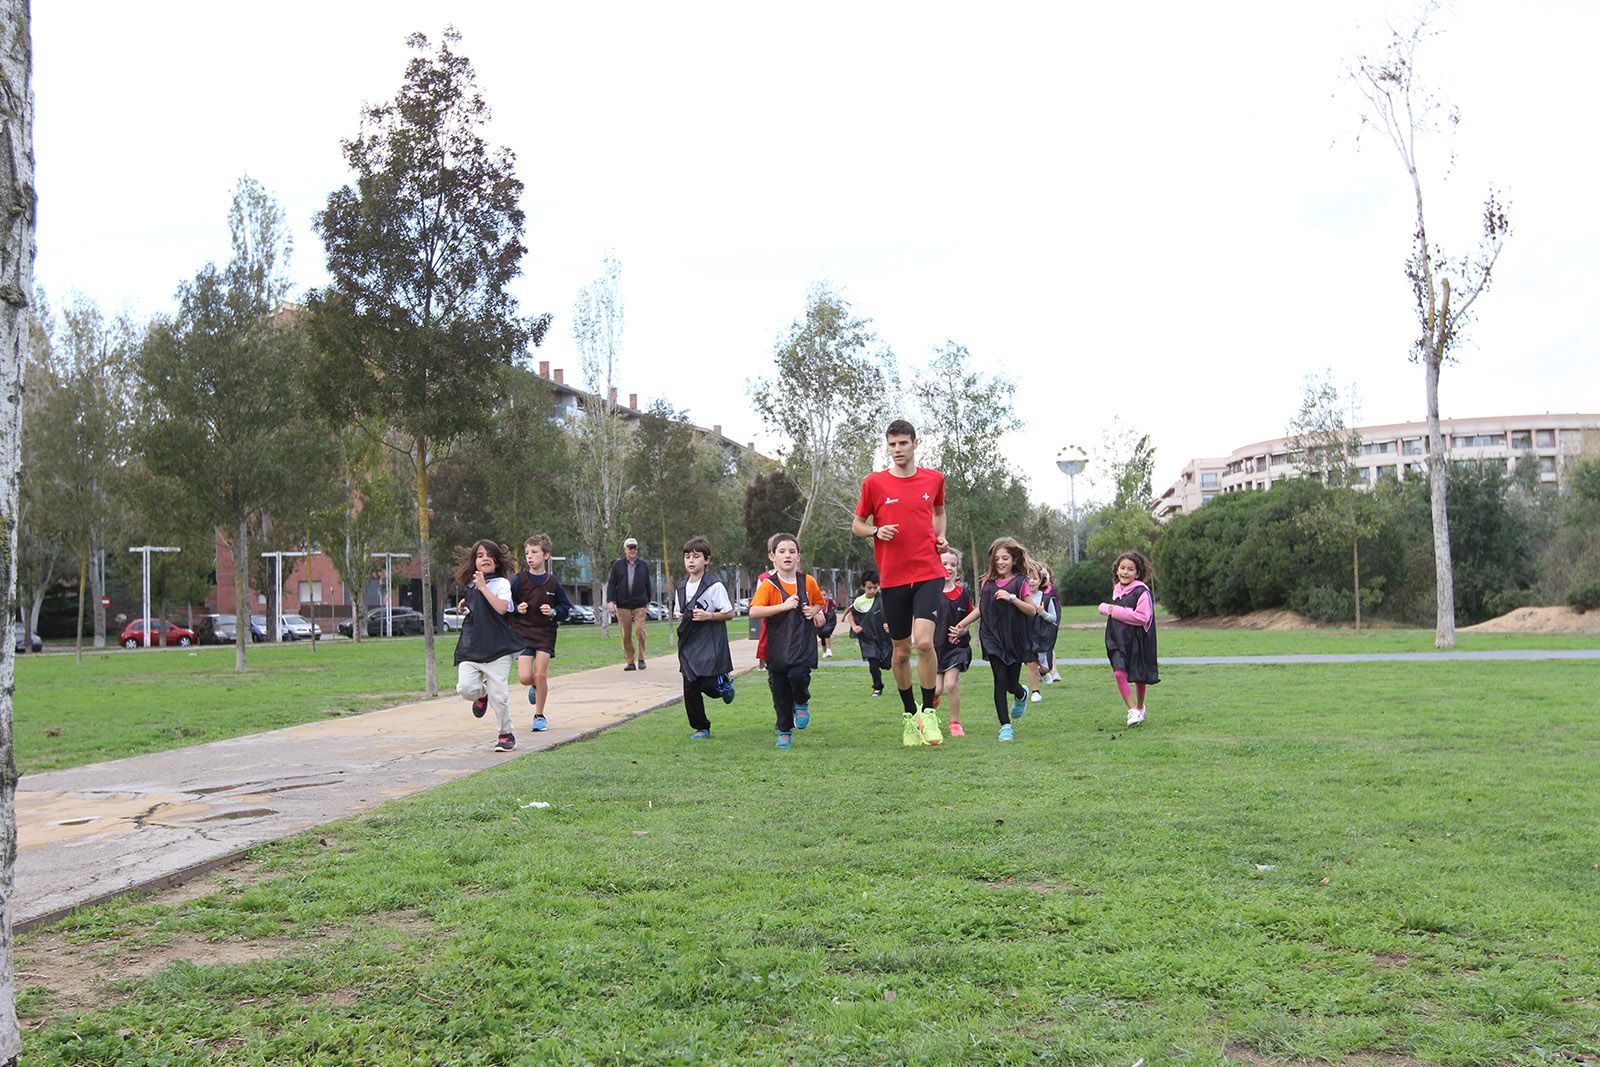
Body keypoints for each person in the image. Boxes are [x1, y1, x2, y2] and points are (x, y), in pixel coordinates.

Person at [851, 419, 947, 747]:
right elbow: (857, 525)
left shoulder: (934, 479)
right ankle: (910, 715)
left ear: (915, 444)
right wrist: (877, 531)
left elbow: (938, 512)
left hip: (929, 573)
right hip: (892, 579)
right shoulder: (874, 484)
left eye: (903, 443)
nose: (897, 450)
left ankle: (930, 714)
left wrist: (941, 536)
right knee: (901, 652)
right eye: (892, 445)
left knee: (924, 643)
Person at [953, 537, 1042, 742]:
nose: (1001, 562)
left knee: (1011, 684)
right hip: (992, 637)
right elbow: (980, 609)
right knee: (1000, 681)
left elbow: (1031, 610)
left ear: (1014, 559)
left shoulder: (1020, 582)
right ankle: (1005, 726)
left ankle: (1021, 694)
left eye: (1005, 558)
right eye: (997, 558)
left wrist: (1012, 598)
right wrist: (962, 625)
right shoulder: (987, 582)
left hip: (1015, 638)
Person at [748, 532, 827, 749]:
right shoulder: (768, 585)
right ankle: (784, 731)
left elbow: (820, 603)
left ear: (799, 556)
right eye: (782, 551)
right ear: (772, 556)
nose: (787, 555)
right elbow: (754, 611)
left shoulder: (807, 581)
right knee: (780, 690)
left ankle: (802, 702)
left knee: (799, 674)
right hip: (777, 646)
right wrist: (783, 606)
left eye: (792, 551)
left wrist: (814, 610)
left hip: (802, 643)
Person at [452, 540, 525, 753]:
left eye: (488, 555)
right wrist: (466, 603)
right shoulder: (472, 585)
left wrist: (483, 588)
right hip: (472, 646)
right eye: (479, 555)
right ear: (474, 561)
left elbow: (501, 608)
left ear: (495, 561)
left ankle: (505, 734)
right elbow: (478, 607)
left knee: (499, 696)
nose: (484, 558)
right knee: (466, 688)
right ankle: (482, 693)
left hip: (497, 648)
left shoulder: (502, 584)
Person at [673, 535, 736, 739]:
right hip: (689, 644)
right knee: (690, 686)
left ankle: (724, 685)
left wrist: (709, 616)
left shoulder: (714, 585)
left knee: (709, 686)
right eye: (687, 557)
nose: (691, 561)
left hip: (710, 643)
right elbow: (679, 613)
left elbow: (729, 613)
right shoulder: (681, 587)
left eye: (696, 556)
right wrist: (682, 616)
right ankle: (701, 727)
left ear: (706, 560)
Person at [509, 533, 573, 733]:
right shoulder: (519, 580)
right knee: (525, 677)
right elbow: (507, 603)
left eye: (534, 552)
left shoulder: (553, 583)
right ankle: (535, 686)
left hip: (546, 633)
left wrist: (554, 612)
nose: (530, 556)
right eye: (527, 552)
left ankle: (539, 716)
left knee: (540, 674)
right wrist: (517, 608)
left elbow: (565, 608)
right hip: (523, 634)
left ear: (546, 556)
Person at [1098, 550, 1159, 727]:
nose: (1125, 572)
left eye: (1130, 569)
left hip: (1137, 641)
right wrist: (1106, 608)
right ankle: (1132, 709)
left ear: (1137, 573)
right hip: (1117, 640)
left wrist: (1112, 610)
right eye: (1122, 568)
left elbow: (1142, 617)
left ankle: (1140, 707)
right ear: (1117, 570)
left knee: (1139, 676)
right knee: (1119, 672)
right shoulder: (1117, 589)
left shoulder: (1142, 592)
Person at [935, 547, 974, 738]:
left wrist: (962, 629)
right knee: (936, 689)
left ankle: (955, 723)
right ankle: (929, 710)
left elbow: (970, 617)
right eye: (944, 563)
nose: (948, 567)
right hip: (935, 648)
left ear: (957, 569)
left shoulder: (963, 593)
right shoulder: (929, 593)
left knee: (950, 685)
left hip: (957, 649)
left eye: (953, 564)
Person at [606, 536, 653, 671]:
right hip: (623, 604)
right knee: (626, 634)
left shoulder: (643, 565)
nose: (632, 550)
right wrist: (610, 601)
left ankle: (642, 658)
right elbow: (611, 584)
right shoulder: (618, 566)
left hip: (640, 604)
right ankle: (630, 661)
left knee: (639, 630)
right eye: (630, 548)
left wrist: (648, 601)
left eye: (634, 548)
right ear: (625, 550)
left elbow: (647, 585)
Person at [844, 571, 891, 697]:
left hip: (884, 637)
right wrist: (854, 626)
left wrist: (889, 624)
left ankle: (884, 663)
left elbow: (892, 613)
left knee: (887, 664)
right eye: (869, 588)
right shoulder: (859, 602)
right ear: (863, 587)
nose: (872, 591)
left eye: (875, 587)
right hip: (868, 639)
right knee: (873, 664)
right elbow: (850, 613)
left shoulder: (883, 598)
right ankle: (877, 687)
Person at [1026, 563, 1060, 702]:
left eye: (1034, 578)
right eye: (1028, 578)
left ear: (1040, 581)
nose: (1031, 581)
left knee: (1046, 667)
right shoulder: (1021, 598)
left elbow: (1053, 618)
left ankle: (1044, 672)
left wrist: (1042, 613)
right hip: (1027, 635)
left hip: (1043, 637)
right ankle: (1035, 692)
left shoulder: (1046, 599)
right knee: (1031, 663)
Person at [817, 590, 839, 659]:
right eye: (821, 595)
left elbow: (834, 607)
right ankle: (825, 652)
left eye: (825, 595)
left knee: (826, 631)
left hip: (830, 620)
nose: (823, 597)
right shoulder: (817, 602)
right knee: (821, 635)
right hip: (821, 620)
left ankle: (829, 649)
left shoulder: (831, 602)